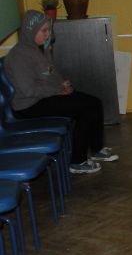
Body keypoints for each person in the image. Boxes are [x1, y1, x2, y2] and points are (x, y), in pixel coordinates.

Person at [4, 10, 118, 174]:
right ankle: (77, 162)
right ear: (30, 30)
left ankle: (97, 149)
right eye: (43, 30)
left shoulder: (39, 49)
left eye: (48, 30)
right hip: (29, 106)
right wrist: (58, 89)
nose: (47, 34)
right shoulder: (18, 56)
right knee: (84, 109)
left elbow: (50, 72)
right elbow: (29, 90)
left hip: (46, 96)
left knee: (94, 102)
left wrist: (62, 84)